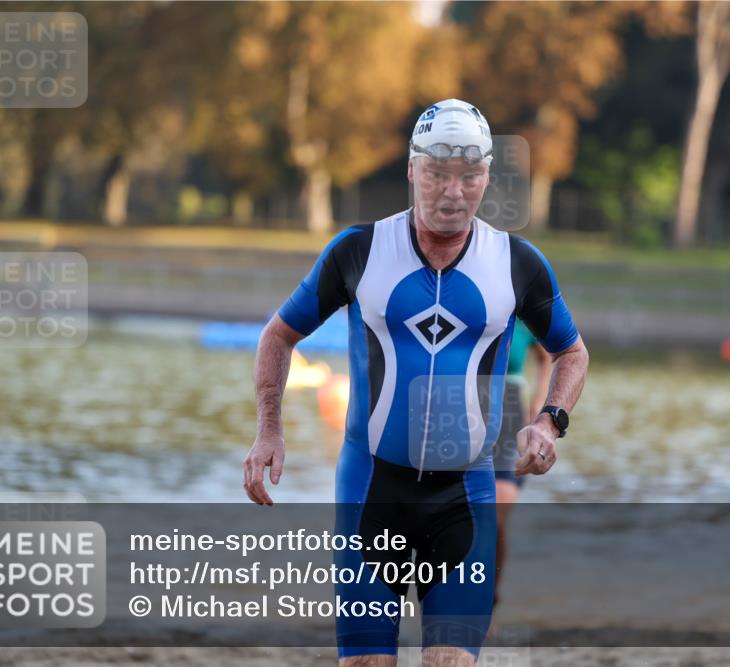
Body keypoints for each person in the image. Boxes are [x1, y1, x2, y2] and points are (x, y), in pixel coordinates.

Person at [244, 99, 590, 667]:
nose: (452, 192)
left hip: (465, 499)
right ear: (411, 170)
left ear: (486, 178)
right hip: (371, 491)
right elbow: (278, 336)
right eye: (436, 174)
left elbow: (571, 352)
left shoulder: (517, 263)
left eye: (469, 175)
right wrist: (268, 432)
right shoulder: (357, 251)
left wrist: (548, 422)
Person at [491, 321, 551, 607]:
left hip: (511, 417)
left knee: (494, 518)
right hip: (460, 410)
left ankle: (490, 596)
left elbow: (550, 355)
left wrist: (540, 407)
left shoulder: (524, 314)